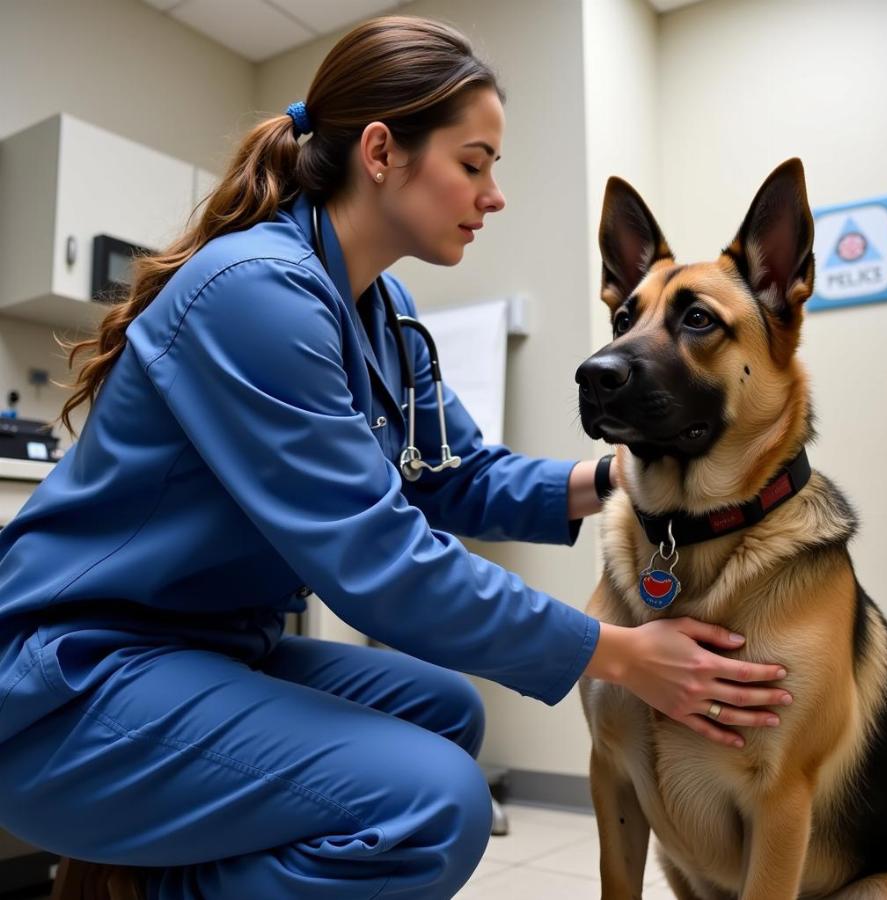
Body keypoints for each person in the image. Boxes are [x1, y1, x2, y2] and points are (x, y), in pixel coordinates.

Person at [0, 16, 792, 900]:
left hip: (206, 650)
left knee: (444, 710)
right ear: (382, 152)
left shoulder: (384, 310)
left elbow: (454, 475)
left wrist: (621, 475)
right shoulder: (255, 293)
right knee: (435, 808)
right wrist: (618, 652)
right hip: (74, 681)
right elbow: (379, 561)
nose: (494, 196)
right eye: (475, 163)